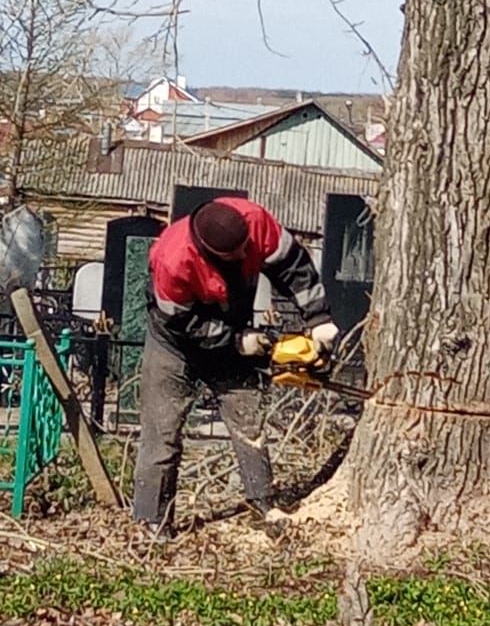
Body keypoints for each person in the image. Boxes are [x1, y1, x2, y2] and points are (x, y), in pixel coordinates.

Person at [132, 196, 340, 538]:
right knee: (162, 431)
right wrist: (236, 341)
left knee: (249, 423)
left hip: (234, 324)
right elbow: (179, 322)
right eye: (236, 254)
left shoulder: (254, 222)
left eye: (247, 248)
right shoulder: (173, 260)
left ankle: (262, 503)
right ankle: (152, 521)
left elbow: (295, 266)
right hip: (175, 342)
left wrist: (318, 318)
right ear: (210, 253)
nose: (246, 256)